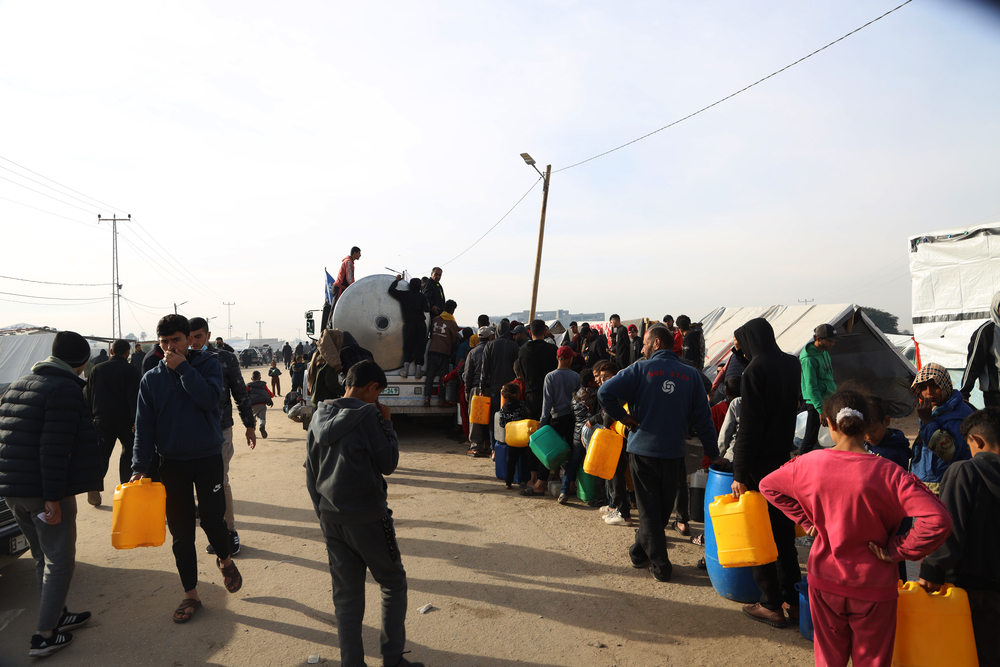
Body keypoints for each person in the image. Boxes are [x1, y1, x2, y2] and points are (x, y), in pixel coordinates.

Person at [760, 390, 951, 665]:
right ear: (866, 424)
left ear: (830, 424)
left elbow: (769, 486)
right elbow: (939, 519)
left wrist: (806, 519)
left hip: (825, 581)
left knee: (829, 658)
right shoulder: (890, 473)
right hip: (874, 586)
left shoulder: (808, 464)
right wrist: (898, 549)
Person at [305, 360, 423, 667]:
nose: (378, 400)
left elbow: (311, 475)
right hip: (369, 516)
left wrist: (324, 515)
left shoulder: (318, 414)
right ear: (372, 387)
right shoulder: (369, 415)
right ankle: (393, 658)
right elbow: (388, 463)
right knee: (392, 582)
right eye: (378, 393)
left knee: (346, 598)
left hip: (332, 517)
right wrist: (388, 423)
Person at [131, 315, 242, 624]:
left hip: (207, 458)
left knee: (212, 520)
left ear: (189, 340)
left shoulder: (207, 365)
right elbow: (144, 428)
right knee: (181, 533)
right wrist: (139, 467)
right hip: (172, 464)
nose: (169, 348)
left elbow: (209, 400)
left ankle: (225, 559)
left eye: (176, 341)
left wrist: (182, 368)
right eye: (164, 342)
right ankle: (191, 594)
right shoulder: (151, 379)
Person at [0, 331, 101, 657]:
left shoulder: (20, 383)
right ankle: (44, 635)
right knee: (60, 560)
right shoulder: (65, 389)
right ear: (82, 363)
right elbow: (54, 449)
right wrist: (52, 497)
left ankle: (58, 615)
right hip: (42, 490)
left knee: (42, 556)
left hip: (13, 490)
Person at [598, 326, 719, 582]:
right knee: (659, 511)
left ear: (655, 343)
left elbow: (604, 392)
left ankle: (638, 552)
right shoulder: (692, 375)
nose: (641, 348)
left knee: (654, 512)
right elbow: (704, 420)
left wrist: (624, 418)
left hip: (642, 453)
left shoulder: (639, 370)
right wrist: (713, 453)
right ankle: (661, 564)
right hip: (673, 454)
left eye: (644, 343)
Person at [729, 317, 803, 627]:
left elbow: (749, 428)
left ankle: (770, 603)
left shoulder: (755, 370)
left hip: (758, 467)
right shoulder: (791, 364)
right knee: (784, 536)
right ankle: (795, 601)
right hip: (784, 464)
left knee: (758, 535)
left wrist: (739, 472)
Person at [919, 407, 1000, 665]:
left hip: (972, 592)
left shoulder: (965, 471)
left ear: (976, 441)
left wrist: (932, 570)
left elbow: (950, 527)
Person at [191, 318, 256, 557]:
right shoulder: (180, 361)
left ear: (208, 335)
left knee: (220, 481)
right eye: (190, 337)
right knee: (198, 487)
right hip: (189, 434)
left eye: (198, 336)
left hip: (220, 430)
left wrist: (249, 425)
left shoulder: (225, 358)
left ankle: (229, 532)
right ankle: (213, 533)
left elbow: (240, 392)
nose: (194, 341)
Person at [84, 338, 141, 499]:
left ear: (111, 351)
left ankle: (94, 486)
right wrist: (136, 420)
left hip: (101, 418)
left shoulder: (96, 369)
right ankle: (125, 486)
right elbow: (133, 396)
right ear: (127, 353)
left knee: (102, 453)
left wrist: (90, 416)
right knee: (128, 451)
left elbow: (88, 394)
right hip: (125, 419)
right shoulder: (130, 370)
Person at [911, 362, 975, 495]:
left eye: (935, 386)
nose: (929, 393)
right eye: (923, 388)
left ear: (945, 385)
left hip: (948, 484)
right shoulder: (936, 409)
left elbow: (950, 451)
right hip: (929, 482)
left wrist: (927, 421)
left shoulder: (957, 414)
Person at [538, 346, 582, 503]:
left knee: (549, 451)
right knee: (571, 450)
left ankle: (540, 483)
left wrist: (543, 423)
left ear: (558, 358)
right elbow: (579, 400)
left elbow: (547, 403)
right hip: (571, 418)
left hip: (556, 418)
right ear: (569, 359)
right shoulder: (575, 376)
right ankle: (570, 483)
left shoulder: (550, 377)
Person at [798, 323, 839, 455]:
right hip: (817, 402)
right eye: (829, 340)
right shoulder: (808, 359)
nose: (832, 343)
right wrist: (820, 409)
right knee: (810, 437)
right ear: (818, 339)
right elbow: (811, 386)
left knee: (835, 434)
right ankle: (798, 464)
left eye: (833, 340)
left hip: (829, 398)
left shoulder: (824, 352)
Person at [480, 321, 521, 442]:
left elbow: (484, 369)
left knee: (495, 417)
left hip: (494, 387)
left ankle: (494, 448)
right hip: (510, 388)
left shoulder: (490, 345)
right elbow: (517, 367)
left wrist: (482, 388)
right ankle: (509, 443)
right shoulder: (514, 346)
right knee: (511, 416)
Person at [959, 290, 1000, 407]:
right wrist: (964, 394)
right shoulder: (986, 332)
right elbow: (974, 364)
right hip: (995, 397)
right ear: (996, 307)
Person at [388, 275, 429, 378]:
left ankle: (405, 371)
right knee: (420, 347)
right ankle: (418, 371)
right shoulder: (422, 297)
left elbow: (391, 290)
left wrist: (396, 281)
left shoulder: (404, 295)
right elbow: (427, 309)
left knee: (408, 346)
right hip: (420, 324)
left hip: (409, 324)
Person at [518, 320, 558, 423]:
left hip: (531, 395)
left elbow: (522, 372)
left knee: (533, 429)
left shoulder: (522, 351)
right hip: (550, 395)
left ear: (530, 333)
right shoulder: (552, 349)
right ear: (545, 332)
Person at [423, 299, 460, 408]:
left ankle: (427, 398)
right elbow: (454, 340)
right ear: (453, 311)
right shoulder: (452, 323)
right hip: (444, 353)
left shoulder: (435, 319)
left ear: (444, 308)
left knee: (430, 374)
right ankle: (441, 399)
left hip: (432, 351)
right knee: (443, 377)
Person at [463, 326, 492, 457]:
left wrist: (467, 392)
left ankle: (475, 447)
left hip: (475, 388)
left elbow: (468, 375)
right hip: (491, 388)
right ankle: (490, 445)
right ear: (490, 337)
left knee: (475, 419)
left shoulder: (473, 353)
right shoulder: (493, 350)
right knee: (491, 417)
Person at [863, 394, 911, 469]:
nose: (869, 437)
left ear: (886, 421)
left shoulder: (896, 453)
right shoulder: (866, 445)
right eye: (863, 432)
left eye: (873, 430)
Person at [498, 382, 530, 490]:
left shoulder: (503, 409)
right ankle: (529, 479)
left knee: (511, 462)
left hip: (511, 440)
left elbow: (502, 424)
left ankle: (508, 483)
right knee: (528, 458)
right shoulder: (522, 405)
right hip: (523, 438)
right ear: (516, 394)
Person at [247, 371, 274, 439]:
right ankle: (262, 426)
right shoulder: (263, 385)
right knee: (262, 418)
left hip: (252, 405)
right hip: (262, 404)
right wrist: (271, 395)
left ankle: (253, 431)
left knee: (252, 418)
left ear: (251, 379)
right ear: (260, 378)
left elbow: (245, 394)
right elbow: (269, 393)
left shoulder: (249, 386)